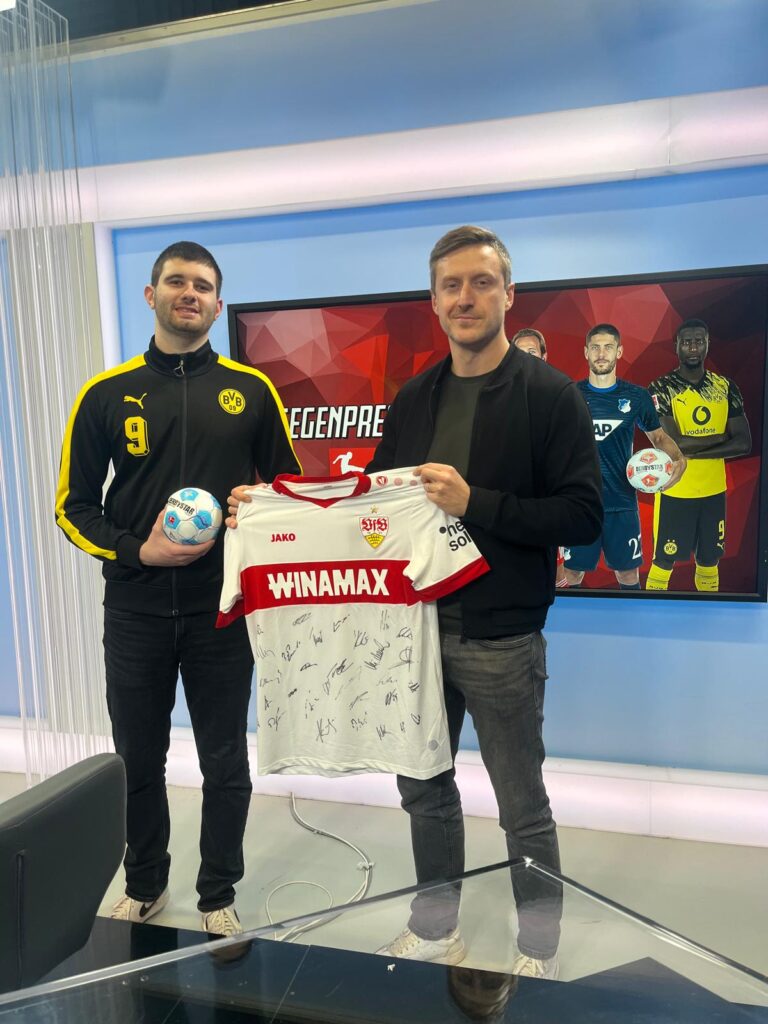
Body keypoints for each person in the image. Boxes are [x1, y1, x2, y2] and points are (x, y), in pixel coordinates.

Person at [366, 225, 603, 977]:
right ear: (434, 302)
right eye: (451, 286)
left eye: (480, 282)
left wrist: (478, 504)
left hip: (501, 639)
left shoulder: (551, 395)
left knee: (521, 807)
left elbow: (582, 516)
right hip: (415, 633)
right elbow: (374, 500)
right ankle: (437, 930)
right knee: (424, 794)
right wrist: (274, 508)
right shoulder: (415, 397)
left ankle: (538, 948)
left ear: (508, 294)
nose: (465, 298)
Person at [55, 241, 299, 937]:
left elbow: (288, 492)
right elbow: (73, 507)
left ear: (218, 305)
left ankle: (218, 892)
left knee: (224, 760)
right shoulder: (105, 394)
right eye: (175, 281)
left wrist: (256, 504)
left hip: (221, 610)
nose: (188, 293)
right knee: (138, 757)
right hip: (134, 610)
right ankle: (145, 884)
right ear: (151, 294)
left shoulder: (254, 391)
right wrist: (140, 550)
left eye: (202, 285)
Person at [564, 324, 686, 590]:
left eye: (608, 347)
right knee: (570, 574)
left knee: (628, 575)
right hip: (580, 504)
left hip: (622, 502)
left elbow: (659, 438)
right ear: (586, 352)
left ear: (619, 352)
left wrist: (680, 459)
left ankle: (633, 616)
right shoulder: (569, 394)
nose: (601, 354)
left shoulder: (637, 396)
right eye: (595, 347)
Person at [645, 319, 751, 592]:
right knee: (663, 561)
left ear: (707, 344)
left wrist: (691, 448)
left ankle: (711, 611)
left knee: (709, 560)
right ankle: (650, 612)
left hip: (714, 491)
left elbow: (743, 444)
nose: (693, 347)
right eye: (687, 342)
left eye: (699, 341)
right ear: (676, 346)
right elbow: (673, 443)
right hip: (675, 489)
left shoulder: (725, 387)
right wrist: (722, 437)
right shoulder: (661, 387)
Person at [512, 328, 569, 588]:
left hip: (548, 498)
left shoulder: (561, 393)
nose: (525, 357)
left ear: (544, 357)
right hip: (509, 500)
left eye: (532, 352)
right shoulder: (496, 394)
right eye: (519, 352)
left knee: (556, 576)